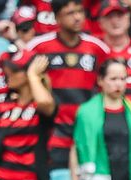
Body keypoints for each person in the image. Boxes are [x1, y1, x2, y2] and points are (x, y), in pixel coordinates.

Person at [26, 0, 109, 168]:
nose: (77, 18)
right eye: (70, 13)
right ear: (56, 18)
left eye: (80, 12)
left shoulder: (97, 49)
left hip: (87, 131)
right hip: (52, 133)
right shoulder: (38, 47)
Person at [0, 50, 56, 180]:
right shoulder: (6, 105)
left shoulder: (42, 106)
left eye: (16, 71)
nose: (8, 74)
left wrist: (32, 75)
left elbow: (45, 103)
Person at [96, 0, 131, 107]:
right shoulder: (94, 47)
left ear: (128, 17)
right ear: (100, 22)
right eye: (109, 17)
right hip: (103, 110)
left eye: (119, 15)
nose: (115, 21)